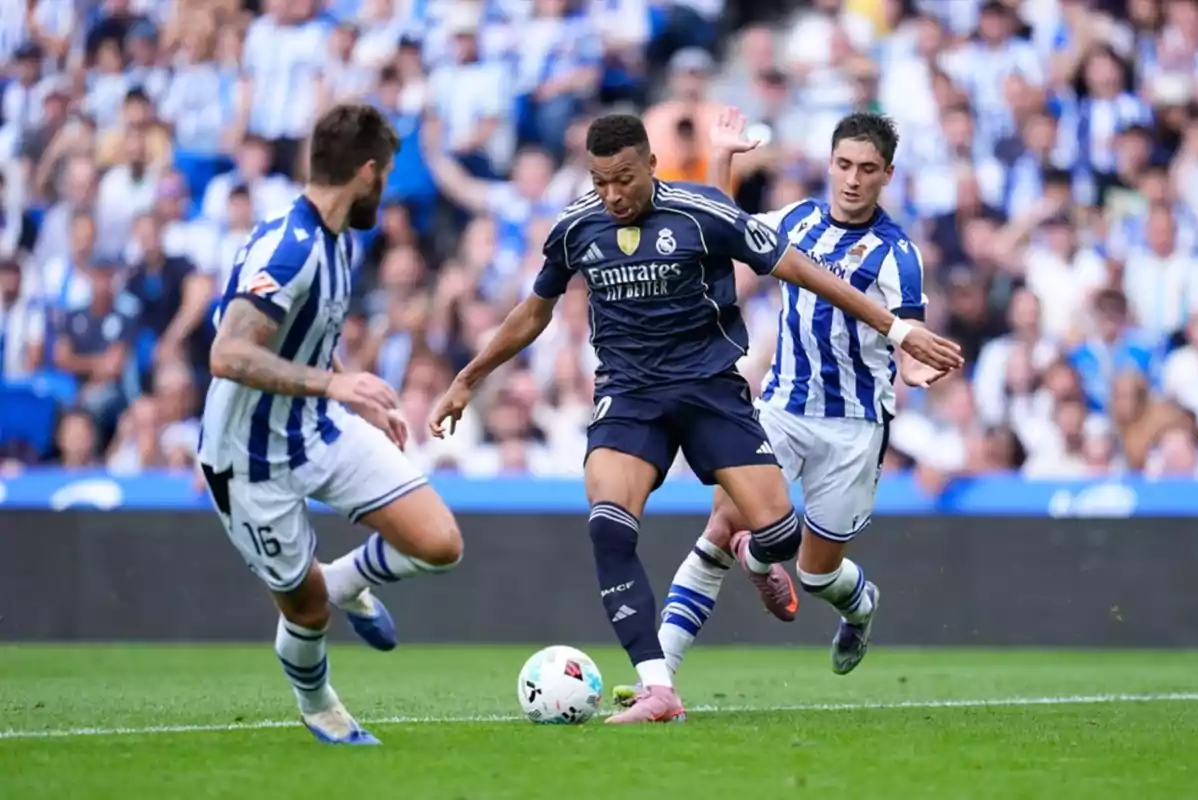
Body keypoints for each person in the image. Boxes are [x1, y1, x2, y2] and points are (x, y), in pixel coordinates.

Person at [429, 113, 962, 724]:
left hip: (745, 399)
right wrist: (467, 378)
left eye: (623, 179)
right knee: (612, 526)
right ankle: (659, 685)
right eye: (600, 181)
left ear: (651, 166)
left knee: (797, 555)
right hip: (660, 397)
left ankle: (830, 591)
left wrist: (901, 337)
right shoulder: (579, 226)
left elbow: (756, 246)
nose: (612, 195)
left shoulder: (897, 252)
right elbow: (535, 309)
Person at [614, 107, 948, 708]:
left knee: (818, 573)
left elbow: (911, 336)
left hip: (853, 427)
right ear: (829, 164)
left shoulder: (898, 255)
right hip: (780, 410)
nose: (851, 179)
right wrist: (722, 158)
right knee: (719, 530)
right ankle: (655, 682)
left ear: (887, 175)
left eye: (866, 169)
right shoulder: (796, 219)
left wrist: (920, 366)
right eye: (843, 164)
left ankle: (859, 603)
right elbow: (719, 229)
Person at [198, 104, 464, 746]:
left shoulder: (338, 235)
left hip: (318, 428)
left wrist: (349, 394)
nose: (388, 186)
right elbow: (227, 353)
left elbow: (305, 339)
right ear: (367, 172)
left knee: (439, 543)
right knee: (305, 609)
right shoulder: (290, 249)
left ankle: (345, 580)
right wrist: (335, 384)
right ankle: (320, 705)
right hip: (249, 459)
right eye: (388, 173)